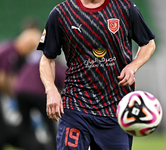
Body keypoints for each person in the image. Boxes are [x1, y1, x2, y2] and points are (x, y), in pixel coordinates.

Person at [37, 0, 156, 150]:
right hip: (76, 106)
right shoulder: (61, 13)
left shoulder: (125, 7)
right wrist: (51, 90)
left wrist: (133, 66)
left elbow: (148, 44)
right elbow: (47, 59)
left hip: (115, 110)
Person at [0, 19, 41, 149]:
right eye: (30, 48)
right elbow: (2, 79)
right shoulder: (9, 51)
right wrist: (12, 94)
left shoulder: (18, 57)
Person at [13, 50, 66, 150]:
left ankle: (29, 147)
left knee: (25, 126)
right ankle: (55, 147)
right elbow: (65, 82)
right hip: (38, 93)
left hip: (20, 91)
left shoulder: (35, 62)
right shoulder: (54, 66)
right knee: (50, 124)